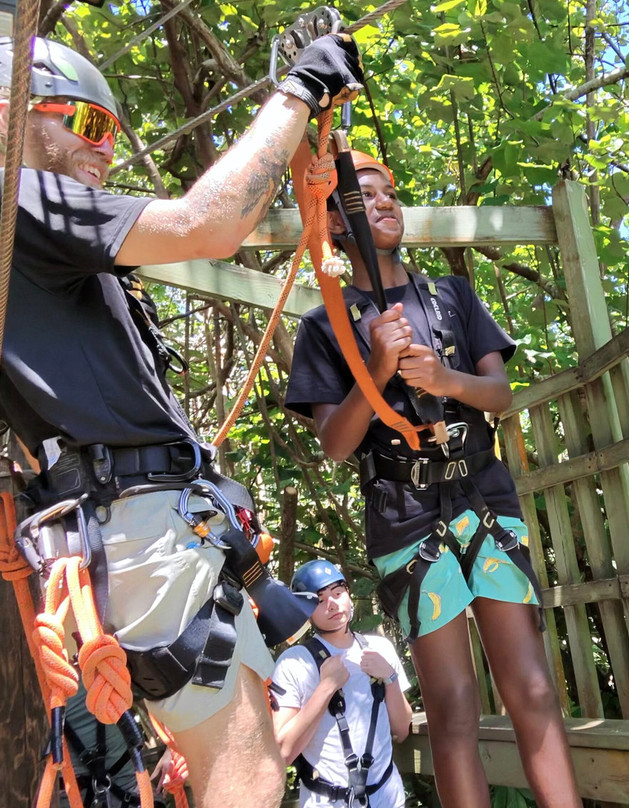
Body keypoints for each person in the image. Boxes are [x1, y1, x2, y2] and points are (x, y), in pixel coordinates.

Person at [0, 33, 364, 808]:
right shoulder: (18, 199)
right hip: (141, 526)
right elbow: (209, 223)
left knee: (247, 765)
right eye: (85, 123)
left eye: (111, 128)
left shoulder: (36, 244)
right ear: (9, 115)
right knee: (248, 779)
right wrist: (299, 90)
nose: (106, 147)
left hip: (153, 522)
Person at [284, 150, 583, 808]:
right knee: (452, 704)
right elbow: (335, 443)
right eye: (363, 195)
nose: (384, 202)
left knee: (533, 689)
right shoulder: (325, 325)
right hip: (407, 514)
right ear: (333, 223)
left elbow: (499, 393)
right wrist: (377, 371)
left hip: (483, 496)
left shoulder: (452, 296)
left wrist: (445, 380)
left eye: (389, 191)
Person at [272, 559, 412, 808]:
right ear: (304, 609)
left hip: (387, 797)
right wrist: (326, 688)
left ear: (348, 594)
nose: (332, 604)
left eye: (337, 593)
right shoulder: (295, 662)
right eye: (319, 600)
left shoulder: (380, 648)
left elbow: (401, 729)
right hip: (326, 800)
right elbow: (284, 752)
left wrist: (390, 677)